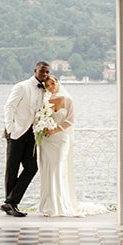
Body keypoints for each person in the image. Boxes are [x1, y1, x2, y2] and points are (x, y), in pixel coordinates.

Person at [1, 60, 49, 217]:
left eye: (47, 72)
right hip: (16, 132)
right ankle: (11, 204)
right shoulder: (21, 86)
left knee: (32, 167)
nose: (45, 74)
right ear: (35, 70)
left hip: (32, 133)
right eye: (42, 71)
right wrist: (10, 128)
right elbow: (9, 106)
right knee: (12, 168)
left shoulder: (44, 90)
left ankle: (10, 201)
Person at [36, 75, 81, 217]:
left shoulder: (67, 99)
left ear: (57, 83)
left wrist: (54, 129)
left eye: (52, 83)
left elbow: (71, 120)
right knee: (46, 170)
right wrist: (41, 128)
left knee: (57, 169)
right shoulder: (45, 101)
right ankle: (48, 204)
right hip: (46, 141)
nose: (50, 87)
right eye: (47, 85)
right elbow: (39, 119)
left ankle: (59, 205)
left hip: (61, 139)